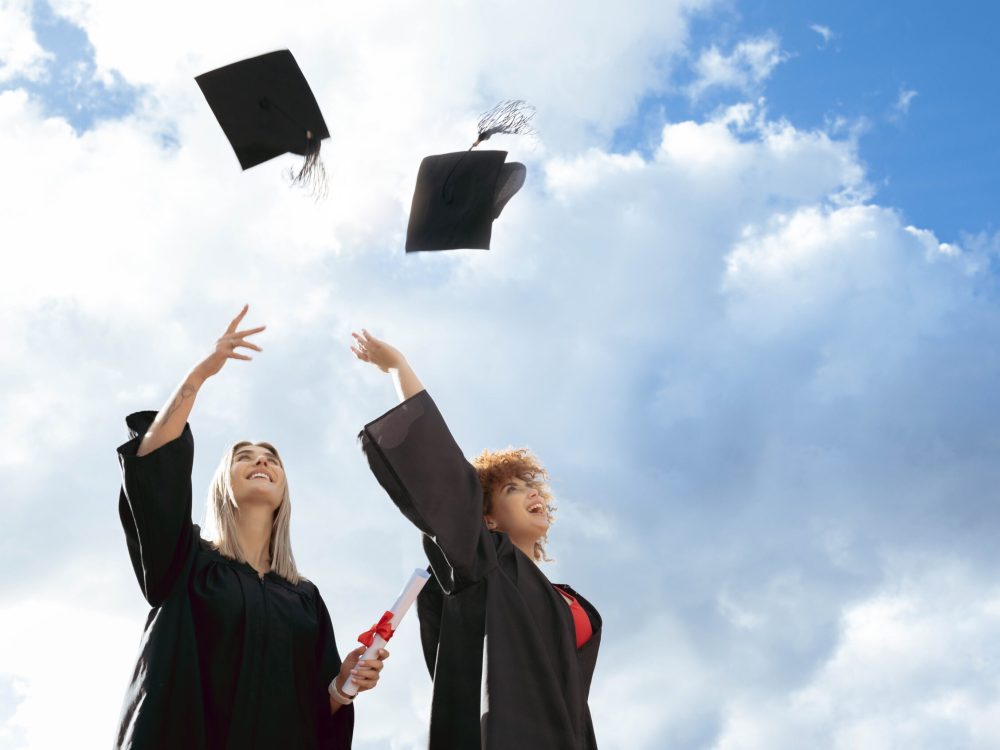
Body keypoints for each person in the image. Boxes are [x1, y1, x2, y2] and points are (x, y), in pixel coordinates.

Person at [115, 306, 387, 750]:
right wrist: (200, 374)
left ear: (284, 490)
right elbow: (152, 464)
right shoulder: (184, 560)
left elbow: (317, 714)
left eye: (272, 458)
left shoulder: (305, 599)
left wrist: (343, 685)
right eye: (245, 456)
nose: (261, 460)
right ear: (223, 484)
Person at [351, 329, 601, 749]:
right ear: (486, 519)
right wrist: (399, 368)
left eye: (532, 486)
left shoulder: (569, 599)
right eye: (512, 489)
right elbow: (446, 478)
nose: (533, 493)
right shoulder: (484, 563)